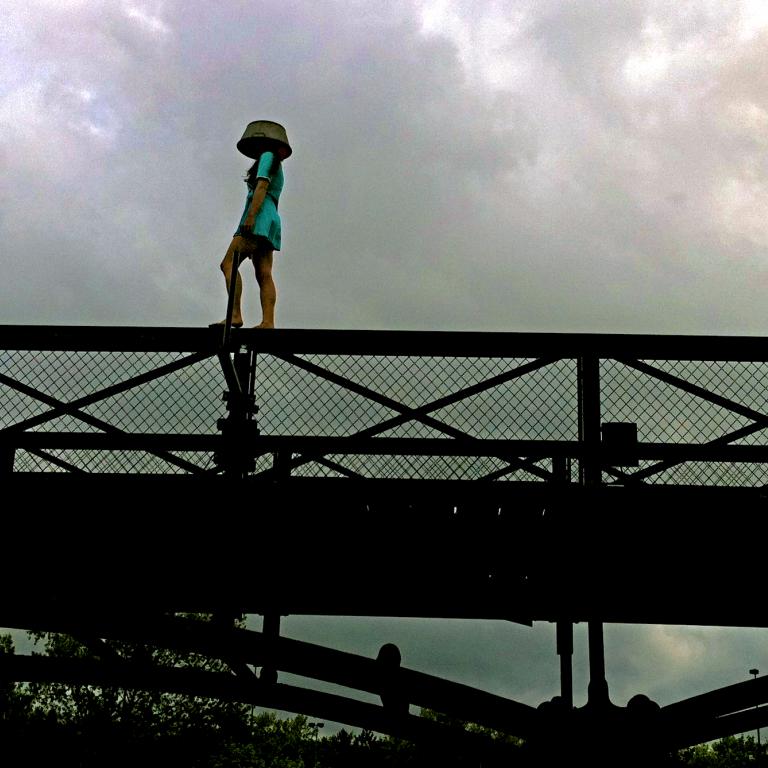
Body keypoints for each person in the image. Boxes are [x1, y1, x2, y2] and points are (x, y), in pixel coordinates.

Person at [213, 120, 291, 329]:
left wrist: (251, 217)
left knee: (228, 263)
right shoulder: (275, 161)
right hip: (271, 218)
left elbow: (262, 186)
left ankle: (235, 315)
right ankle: (268, 321)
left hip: (260, 216)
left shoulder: (267, 156)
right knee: (264, 272)